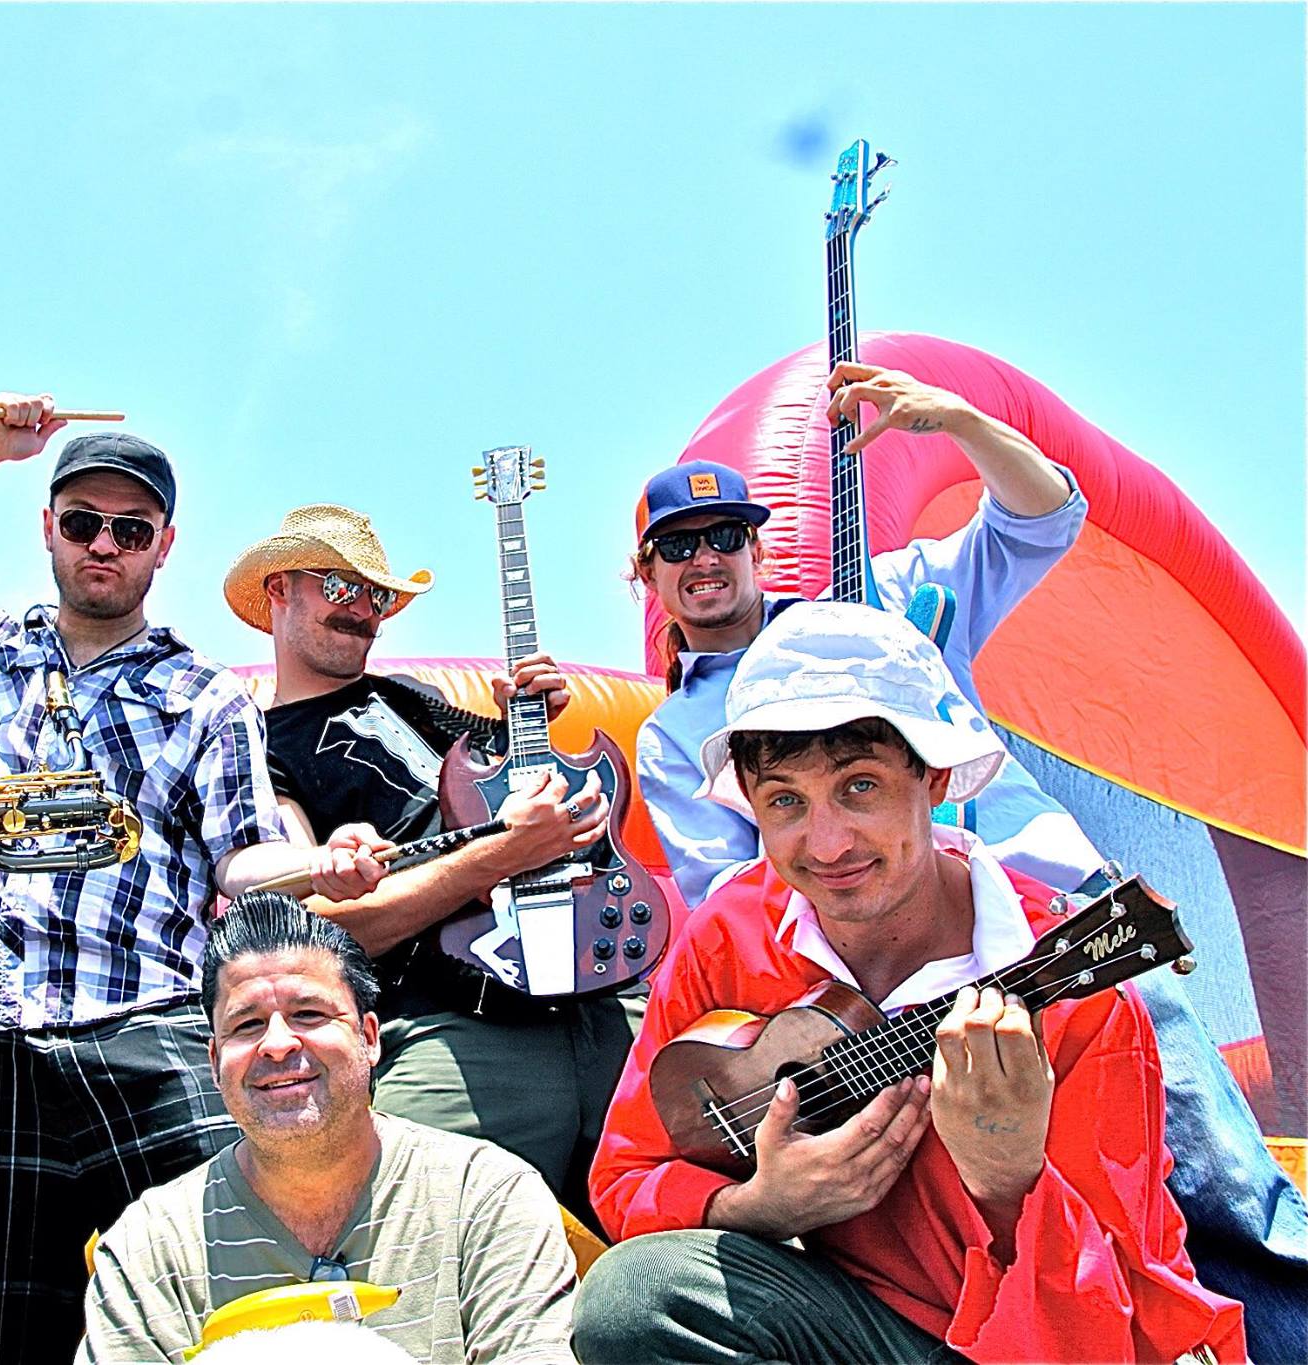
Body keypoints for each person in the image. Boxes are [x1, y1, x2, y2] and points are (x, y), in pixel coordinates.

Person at [629, 365, 1306, 1358]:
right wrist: (761, 1175)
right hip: (861, 989)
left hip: (1062, 939)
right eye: (677, 544)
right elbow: (732, 895)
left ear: (758, 548)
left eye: (725, 533)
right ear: (645, 575)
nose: (705, 557)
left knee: (1227, 1198)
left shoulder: (888, 600)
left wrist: (960, 422)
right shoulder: (670, 736)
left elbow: (1039, 521)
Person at [0, 413, 383, 1361]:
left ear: (163, 546)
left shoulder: (206, 693)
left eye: (131, 529)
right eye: (85, 522)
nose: (104, 545)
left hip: (149, 1021)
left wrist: (320, 862)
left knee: (247, 1290)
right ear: (49, 527)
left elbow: (241, 860)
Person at [577, 603, 1246, 1364]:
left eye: (859, 786)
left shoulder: (1078, 996)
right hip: (851, 1324)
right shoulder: (730, 933)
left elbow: (1114, 1330)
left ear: (934, 779)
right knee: (635, 1296)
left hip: (1020, 1340)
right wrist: (759, 1205)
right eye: (786, 800)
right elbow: (626, 1175)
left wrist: (1008, 1182)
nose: (827, 844)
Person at [221, 504, 628, 1225]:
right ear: (279, 588)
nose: (363, 611)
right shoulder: (257, 748)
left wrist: (526, 723)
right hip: (459, 1020)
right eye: (340, 587)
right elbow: (322, 929)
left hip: (601, 990)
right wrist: (496, 857)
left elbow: (508, 789)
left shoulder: (418, 697)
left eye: (376, 596)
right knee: (409, 1232)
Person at [79, 893, 577, 1365]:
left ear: (369, 1037)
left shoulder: (487, 1197)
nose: (277, 1044)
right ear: (214, 1061)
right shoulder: (150, 1245)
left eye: (308, 1014)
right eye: (247, 1025)